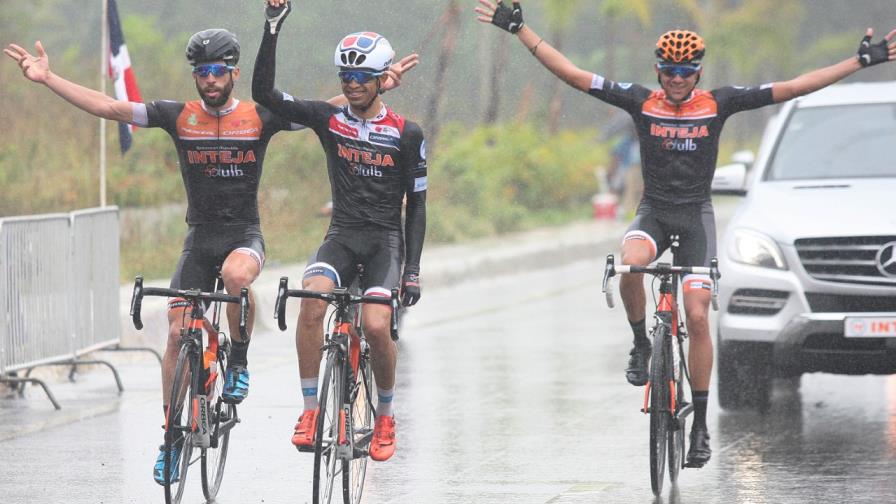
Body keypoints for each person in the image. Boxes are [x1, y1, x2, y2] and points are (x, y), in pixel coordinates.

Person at [476, 0, 896, 467]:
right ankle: (640, 342)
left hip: (696, 217)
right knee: (630, 266)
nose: (677, 79)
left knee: (697, 316)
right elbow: (574, 75)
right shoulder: (640, 101)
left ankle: (698, 428)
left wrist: (859, 61)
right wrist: (522, 32)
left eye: (686, 71)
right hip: (654, 212)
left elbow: (795, 86)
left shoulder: (720, 103)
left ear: (698, 71)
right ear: (659, 71)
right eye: (670, 71)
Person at [4, 27, 416, 483]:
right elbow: (110, 106)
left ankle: (238, 355)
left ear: (234, 73)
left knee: (237, 276)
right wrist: (48, 78)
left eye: (219, 71)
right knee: (177, 331)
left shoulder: (260, 116)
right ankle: (172, 438)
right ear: (195, 76)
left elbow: (323, 113)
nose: (210, 79)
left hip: (244, 236)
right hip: (198, 238)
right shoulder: (178, 116)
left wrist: (374, 87)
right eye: (202, 72)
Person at [253, 0, 427, 462]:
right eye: (344, 78)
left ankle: (386, 416)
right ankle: (311, 410)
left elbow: (418, 207)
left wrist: (412, 270)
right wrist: (273, 27)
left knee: (374, 322)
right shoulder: (330, 120)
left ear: (380, 79)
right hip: (343, 236)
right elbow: (265, 95)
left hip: (386, 241)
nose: (351, 85)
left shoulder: (407, 134)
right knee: (311, 302)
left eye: (361, 78)